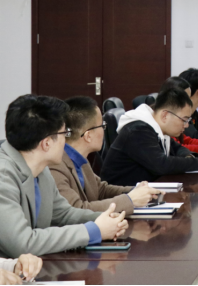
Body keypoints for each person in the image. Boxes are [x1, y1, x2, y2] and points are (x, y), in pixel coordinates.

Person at [0, 95, 128, 258]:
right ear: (46, 143)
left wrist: (105, 219)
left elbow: (64, 214)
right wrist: (93, 231)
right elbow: (23, 244)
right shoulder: (3, 176)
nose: (67, 140)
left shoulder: (41, 169)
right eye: (64, 133)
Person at [50, 96, 163, 215]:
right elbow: (77, 210)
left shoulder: (79, 157)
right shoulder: (55, 166)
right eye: (102, 125)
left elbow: (100, 189)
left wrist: (136, 190)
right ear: (88, 136)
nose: (104, 130)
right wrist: (130, 200)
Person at [101, 88, 198, 186]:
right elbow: (162, 165)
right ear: (165, 115)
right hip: (122, 199)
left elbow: (177, 148)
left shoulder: (158, 128)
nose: (186, 125)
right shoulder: (138, 130)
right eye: (184, 120)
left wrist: (188, 157)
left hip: (144, 192)